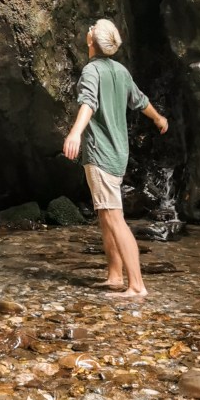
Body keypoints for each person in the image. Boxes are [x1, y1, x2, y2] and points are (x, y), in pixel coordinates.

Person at [62, 18, 168, 297]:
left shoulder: (92, 70)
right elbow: (140, 100)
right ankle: (114, 276)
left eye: (91, 28)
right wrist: (159, 118)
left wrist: (74, 133)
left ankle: (136, 285)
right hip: (119, 154)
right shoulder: (121, 71)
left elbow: (88, 103)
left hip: (101, 155)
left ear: (91, 41)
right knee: (105, 216)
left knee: (114, 218)